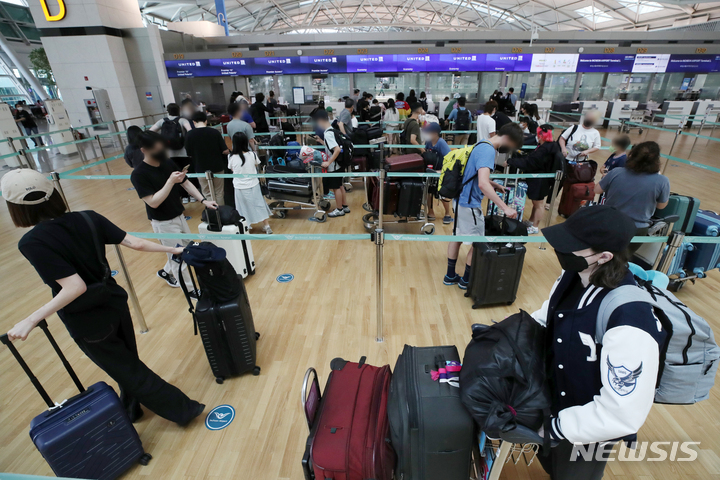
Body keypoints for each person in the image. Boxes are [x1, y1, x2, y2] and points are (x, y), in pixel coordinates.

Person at [2, 169, 206, 426]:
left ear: (16, 208)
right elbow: (136, 244)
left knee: (127, 369)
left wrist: (30, 320)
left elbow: (74, 287)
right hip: (113, 300)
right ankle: (132, 409)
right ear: (52, 194)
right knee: (127, 361)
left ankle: (184, 409)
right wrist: (174, 249)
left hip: (87, 318)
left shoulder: (32, 242)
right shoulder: (88, 218)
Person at [533, 205, 666, 480]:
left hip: (588, 429)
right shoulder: (575, 274)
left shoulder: (631, 319)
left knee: (574, 474)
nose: (562, 251)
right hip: (556, 402)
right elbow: (549, 314)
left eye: (572, 247)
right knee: (551, 464)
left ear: (604, 256)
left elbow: (622, 412)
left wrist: (558, 428)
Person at [130, 131, 218, 294]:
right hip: (163, 222)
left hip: (179, 215)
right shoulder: (139, 174)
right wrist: (170, 182)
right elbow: (153, 202)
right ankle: (190, 290)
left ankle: (166, 272)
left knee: (186, 248)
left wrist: (203, 200)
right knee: (178, 257)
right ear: (144, 150)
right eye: (156, 149)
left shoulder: (167, 162)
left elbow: (185, 183)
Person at [444, 123, 523, 288]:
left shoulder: (481, 143)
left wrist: (493, 183)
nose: (509, 150)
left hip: (460, 199)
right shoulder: (488, 151)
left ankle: (450, 275)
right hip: (470, 203)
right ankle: (466, 280)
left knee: (456, 237)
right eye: (511, 147)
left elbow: (474, 173)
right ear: (508, 139)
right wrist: (505, 207)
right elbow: (482, 184)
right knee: (478, 242)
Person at [595, 141, 670, 253]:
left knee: (600, 256)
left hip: (610, 222)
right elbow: (661, 206)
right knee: (622, 262)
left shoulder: (616, 172)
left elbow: (597, 190)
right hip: (637, 229)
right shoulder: (662, 181)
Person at [507, 125, 563, 234]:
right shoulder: (549, 146)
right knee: (536, 203)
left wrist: (511, 162)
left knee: (538, 204)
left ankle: (535, 226)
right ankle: (532, 222)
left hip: (540, 179)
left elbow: (530, 162)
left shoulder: (545, 149)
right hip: (540, 179)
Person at [228, 132, 273, 234]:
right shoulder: (252, 154)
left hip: (239, 186)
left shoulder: (231, 157)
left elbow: (231, 169)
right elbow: (257, 165)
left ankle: (246, 227)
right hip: (253, 184)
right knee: (259, 204)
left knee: (242, 207)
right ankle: (266, 226)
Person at [150, 103, 196, 203]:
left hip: (169, 153)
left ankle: (183, 197)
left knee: (176, 175)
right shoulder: (182, 120)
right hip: (183, 152)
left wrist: (160, 141)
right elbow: (190, 131)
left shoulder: (162, 121)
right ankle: (192, 196)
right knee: (187, 173)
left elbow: (150, 131)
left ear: (168, 111)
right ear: (178, 110)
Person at [184, 111, 229, 205]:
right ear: (205, 121)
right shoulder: (214, 132)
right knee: (219, 193)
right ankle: (221, 214)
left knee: (207, 193)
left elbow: (189, 153)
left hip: (200, 168)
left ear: (194, 122)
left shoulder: (189, 135)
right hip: (217, 166)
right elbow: (225, 150)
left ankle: (212, 214)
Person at [312, 110, 348, 218]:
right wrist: (321, 142)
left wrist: (328, 162)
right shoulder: (332, 130)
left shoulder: (327, 133)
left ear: (320, 120)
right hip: (340, 163)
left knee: (336, 187)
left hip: (334, 165)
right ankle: (345, 205)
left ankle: (339, 209)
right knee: (340, 185)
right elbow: (332, 146)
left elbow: (336, 149)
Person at [423, 122, 452, 223]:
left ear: (435, 133)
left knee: (443, 193)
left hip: (441, 172)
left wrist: (442, 170)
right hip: (431, 171)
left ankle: (447, 213)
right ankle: (430, 212)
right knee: (429, 192)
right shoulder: (428, 143)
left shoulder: (441, 143)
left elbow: (450, 158)